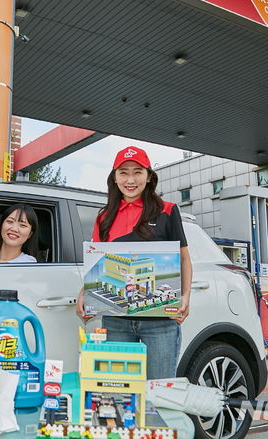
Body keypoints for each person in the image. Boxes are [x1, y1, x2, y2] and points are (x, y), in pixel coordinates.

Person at [76, 146, 192, 379]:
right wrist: (83, 294)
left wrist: (186, 296)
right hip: (116, 320)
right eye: (123, 173)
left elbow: (184, 258)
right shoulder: (104, 216)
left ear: (149, 177)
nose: (130, 179)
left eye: (137, 172)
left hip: (159, 321)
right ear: (115, 178)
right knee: (118, 391)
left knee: (159, 391)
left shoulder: (167, 211)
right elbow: (98, 263)